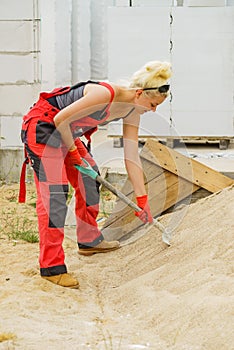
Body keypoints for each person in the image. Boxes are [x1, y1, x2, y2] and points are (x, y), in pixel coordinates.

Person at [19, 60, 172, 288]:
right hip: (43, 125)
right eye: (152, 104)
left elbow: (131, 156)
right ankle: (51, 268)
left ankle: (89, 240)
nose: (153, 110)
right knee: (55, 197)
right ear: (139, 93)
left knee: (89, 179)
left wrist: (142, 199)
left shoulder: (132, 112)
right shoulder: (104, 93)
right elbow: (60, 118)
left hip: (65, 131)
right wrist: (73, 152)